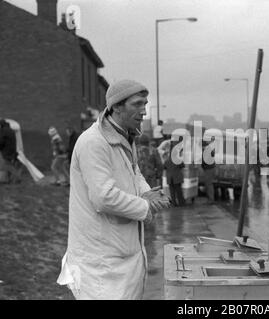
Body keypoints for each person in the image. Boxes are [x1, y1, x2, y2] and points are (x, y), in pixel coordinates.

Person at [56, 79, 172, 300]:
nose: (144, 111)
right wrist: (145, 206)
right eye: (137, 104)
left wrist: (146, 191)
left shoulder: (125, 136)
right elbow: (103, 197)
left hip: (120, 258)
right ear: (116, 106)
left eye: (145, 104)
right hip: (101, 265)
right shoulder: (94, 142)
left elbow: (134, 173)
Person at [164, 140, 185, 207]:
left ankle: (173, 203)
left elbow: (164, 167)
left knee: (172, 192)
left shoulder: (167, 159)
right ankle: (181, 203)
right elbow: (182, 166)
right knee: (179, 191)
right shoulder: (177, 159)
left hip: (170, 178)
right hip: (177, 177)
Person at [0, 119, 21, 183]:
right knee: (7, 165)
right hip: (12, 150)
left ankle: (17, 178)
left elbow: (1, 142)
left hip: (6, 151)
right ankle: (7, 179)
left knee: (7, 165)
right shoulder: (11, 130)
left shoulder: (4, 131)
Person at [201, 140, 216, 204]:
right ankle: (210, 199)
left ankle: (211, 200)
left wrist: (201, 163)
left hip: (209, 169)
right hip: (210, 168)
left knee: (208, 184)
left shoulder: (207, 150)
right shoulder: (208, 149)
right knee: (208, 184)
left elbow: (206, 160)